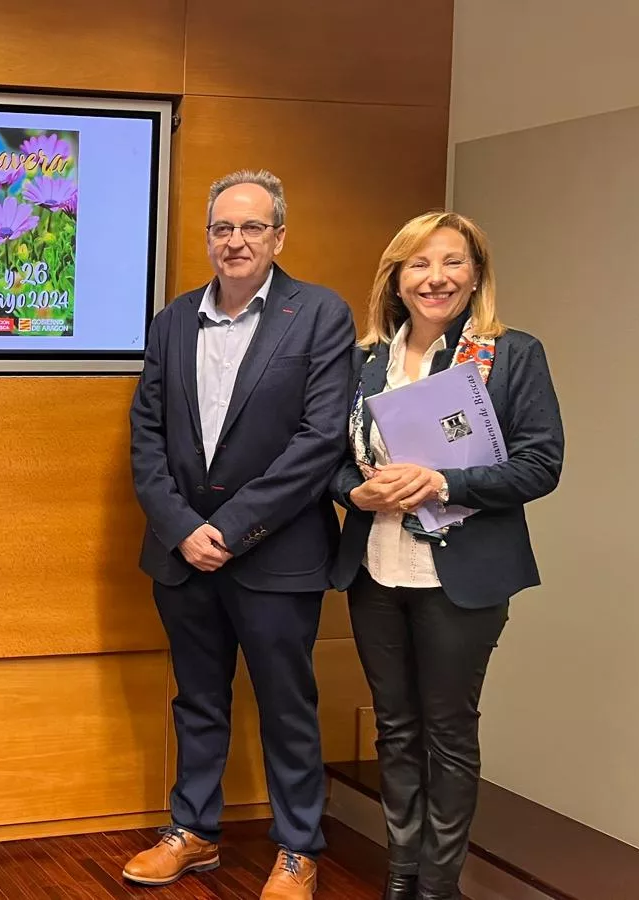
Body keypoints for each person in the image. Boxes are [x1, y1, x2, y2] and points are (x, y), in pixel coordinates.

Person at [125, 169, 354, 899]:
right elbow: (146, 440)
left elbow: (319, 443)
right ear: (208, 239)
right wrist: (185, 530)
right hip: (183, 555)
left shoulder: (319, 315)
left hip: (276, 554)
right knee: (197, 699)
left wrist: (226, 528)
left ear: (278, 237)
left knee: (287, 704)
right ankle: (193, 831)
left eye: (252, 227)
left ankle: (297, 847)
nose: (236, 241)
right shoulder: (173, 320)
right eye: (223, 228)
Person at [330, 212, 562, 900]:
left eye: (453, 262)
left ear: (476, 275)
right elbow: (329, 464)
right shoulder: (363, 360)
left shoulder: (510, 354)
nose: (436, 278)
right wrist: (355, 493)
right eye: (419, 264)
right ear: (396, 279)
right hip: (375, 568)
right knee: (395, 728)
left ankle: (438, 885)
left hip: (460, 577)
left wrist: (443, 482)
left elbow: (541, 464)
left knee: (448, 732)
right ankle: (401, 875)